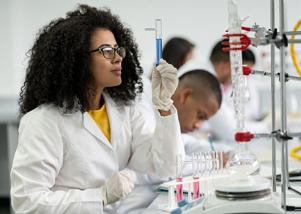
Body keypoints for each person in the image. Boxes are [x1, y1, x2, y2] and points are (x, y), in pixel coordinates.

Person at [10, 4, 184, 213]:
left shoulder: (124, 109)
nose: (118, 57)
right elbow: (27, 203)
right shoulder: (43, 121)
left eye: (118, 49)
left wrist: (164, 105)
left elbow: (166, 167)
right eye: (106, 51)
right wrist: (99, 196)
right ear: (77, 58)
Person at [118, 69, 223, 214]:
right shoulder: (142, 100)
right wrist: (208, 161)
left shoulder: (154, 98)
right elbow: (157, 166)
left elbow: (183, 142)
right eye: (200, 115)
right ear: (185, 95)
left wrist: (215, 154)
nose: (199, 125)